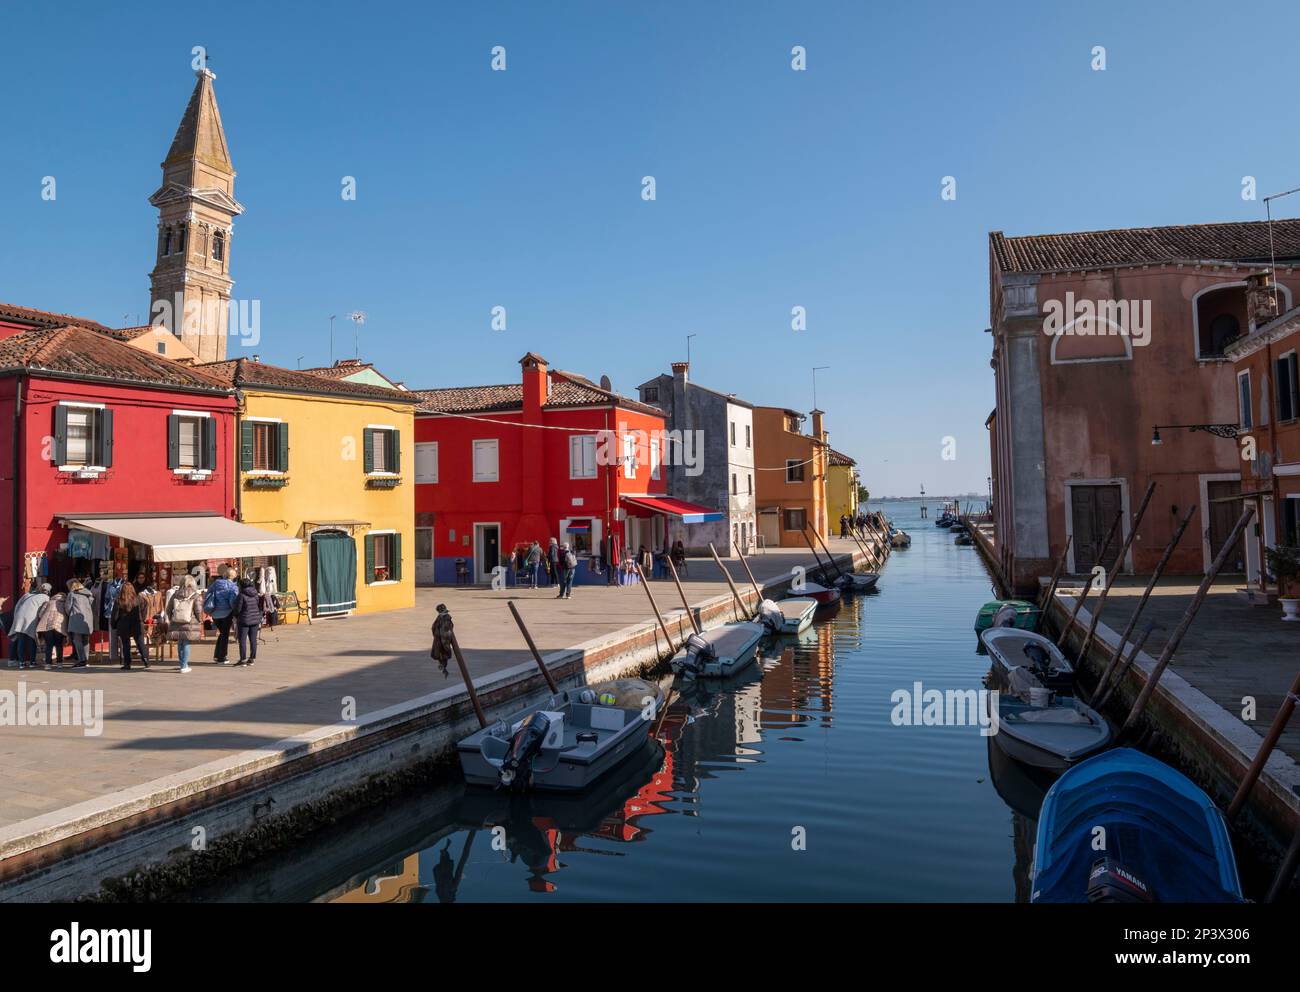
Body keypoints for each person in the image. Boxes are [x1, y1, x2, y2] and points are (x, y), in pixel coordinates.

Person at [8, 580, 50, 671]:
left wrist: (16, 618)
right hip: (31, 619)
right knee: (32, 640)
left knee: (21, 641)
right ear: (48, 591)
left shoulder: (26, 595)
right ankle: (32, 662)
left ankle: (22, 663)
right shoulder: (46, 597)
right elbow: (43, 612)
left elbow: (17, 606)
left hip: (19, 617)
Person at [166, 575, 204, 674]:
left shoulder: (175, 594)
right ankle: (184, 665)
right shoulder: (196, 595)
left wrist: (171, 618)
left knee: (180, 642)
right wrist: (200, 620)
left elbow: (168, 609)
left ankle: (182, 664)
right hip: (189, 622)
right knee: (186, 642)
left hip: (177, 621)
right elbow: (198, 611)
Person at [204, 566, 240, 664]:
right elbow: (233, 601)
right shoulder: (233, 586)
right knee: (225, 635)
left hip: (215, 613)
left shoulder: (216, 583)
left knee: (222, 634)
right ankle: (222, 657)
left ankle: (217, 655)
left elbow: (207, 594)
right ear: (233, 576)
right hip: (226, 613)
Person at [112, 582, 149, 670]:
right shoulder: (139, 599)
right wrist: (142, 618)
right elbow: (145, 606)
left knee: (126, 644)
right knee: (140, 643)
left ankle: (127, 663)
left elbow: (115, 615)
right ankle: (146, 660)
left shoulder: (119, 600)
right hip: (137, 623)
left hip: (123, 624)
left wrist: (113, 624)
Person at [35, 585, 69, 670]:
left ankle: (48, 664)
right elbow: (68, 613)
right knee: (59, 645)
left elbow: (40, 614)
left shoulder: (49, 602)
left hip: (47, 625)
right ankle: (59, 663)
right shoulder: (65, 603)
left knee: (49, 645)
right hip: (59, 625)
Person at [233, 577, 263, 667]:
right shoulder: (255, 594)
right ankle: (252, 659)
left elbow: (238, 609)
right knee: (253, 640)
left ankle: (243, 660)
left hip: (244, 620)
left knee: (242, 640)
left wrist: (235, 615)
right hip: (255, 620)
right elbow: (258, 605)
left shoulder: (241, 595)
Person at [66, 579, 95, 668]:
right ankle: (86, 660)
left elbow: (68, 607)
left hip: (76, 619)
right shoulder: (88, 594)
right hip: (87, 620)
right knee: (86, 640)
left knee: (77, 640)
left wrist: (69, 615)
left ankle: (82, 660)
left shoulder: (72, 594)